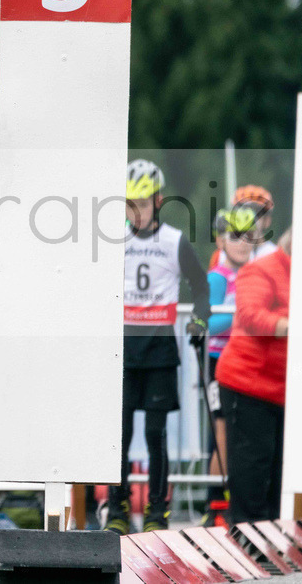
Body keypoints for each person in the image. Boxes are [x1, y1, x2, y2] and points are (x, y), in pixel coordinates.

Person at [106, 159, 210, 534]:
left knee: (155, 434)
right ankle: (115, 509)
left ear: (159, 201)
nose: (136, 213)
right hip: (123, 350)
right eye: (129, 205)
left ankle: (155, 512)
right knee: (119, 433)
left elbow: (201, 286)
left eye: (143, 204)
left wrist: (199, 318)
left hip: (160, 350)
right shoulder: (115, 238)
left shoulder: (174, 241)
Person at [215, 229, 292, 523]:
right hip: (248, 385)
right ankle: (248, 541)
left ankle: (273, 540)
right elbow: (249, 314)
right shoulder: (261, 269)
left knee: (278, 469)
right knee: (252, 468)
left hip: (285, 388)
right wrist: (287, 325)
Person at [201, 206, 258, 525]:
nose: (242, 243)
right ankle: (215, 507)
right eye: (235, 236)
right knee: (221, 434)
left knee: (244, 435)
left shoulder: (254, 272)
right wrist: (244, 313)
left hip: (246, 361)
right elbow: (211, 320)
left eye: (248, 236)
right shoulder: (217, 275)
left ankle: (240, 502)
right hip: (217, 361)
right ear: (221, 241)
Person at [208, 185, 276, 268]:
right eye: (242, 210)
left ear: (267, 220)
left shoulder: (274, 254)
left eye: (257, 212)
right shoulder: (220, 255)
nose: (249, 216)